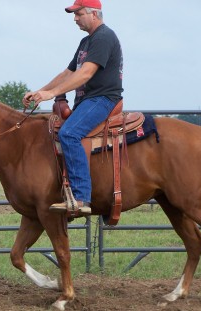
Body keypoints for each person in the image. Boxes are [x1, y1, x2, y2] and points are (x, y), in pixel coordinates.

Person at [23, 0, 123, 216]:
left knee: (69, 134)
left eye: (78, 14)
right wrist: (40, 91)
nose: (75, 19)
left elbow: (85, 73)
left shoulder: (104, 37)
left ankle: (80, 198)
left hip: (102, 99)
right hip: (88, 101)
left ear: (94, 14)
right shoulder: (86, 42)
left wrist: (51, 94)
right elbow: (68, 73)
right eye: (74, 15)